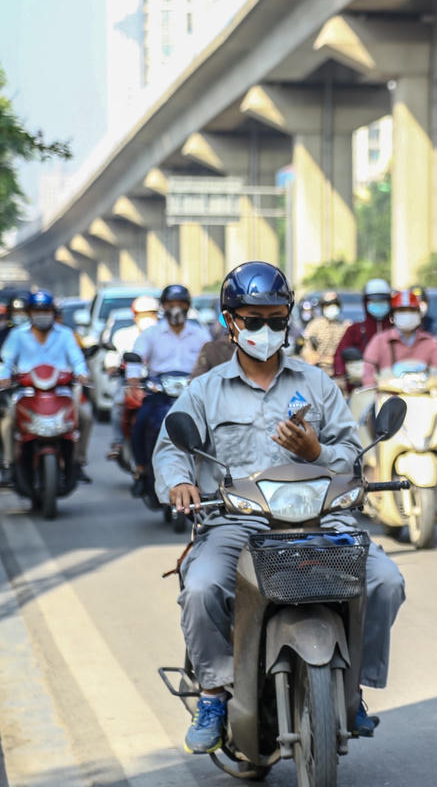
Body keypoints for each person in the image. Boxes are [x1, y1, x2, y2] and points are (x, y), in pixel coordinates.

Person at [152, 261, 406, 753]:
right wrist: (179, 481)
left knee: (386, 581)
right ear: (231, 322)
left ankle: (354, 687)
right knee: (201, 587)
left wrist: (317, 452)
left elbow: (351, 453)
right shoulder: (205, 390)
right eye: (253, 320)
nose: (265, 330)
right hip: (237, 522)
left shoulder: (317, 384)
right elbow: (171, 446)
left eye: (275, 319)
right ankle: (213, 693)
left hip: (321, 518)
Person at [0, 290, 92, 484]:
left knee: (85, 418)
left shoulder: (65, 334)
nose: (42, 314)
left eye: (46, 310)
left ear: (52, 312)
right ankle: (9, 464)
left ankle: (77, 463)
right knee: (7, 423)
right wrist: (4, 378)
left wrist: (82, 374)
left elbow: (77, 360)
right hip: (27, 394)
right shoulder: (18, 335)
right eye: (37, 310)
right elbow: (6, 362)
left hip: (60, 393)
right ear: (30, 312)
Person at [126, 285, 209, 494]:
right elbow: (136, 359)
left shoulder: (200, 334)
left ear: (188, 306)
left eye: (180, 304)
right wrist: (134, 384)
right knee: (140, 423)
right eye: (171, 304)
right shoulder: (151, 334)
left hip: (192, 391)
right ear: (163, 306)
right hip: (159, 393)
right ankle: (141, 469)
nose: (176, 309)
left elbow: (211, 362)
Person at [107, 295, 161, 460]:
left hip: (158, 385)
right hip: (130, 384)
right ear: (135, 316)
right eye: (143, 315)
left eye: (151, 314)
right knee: (118, 404)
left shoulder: (163, 335)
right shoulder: (122, 336)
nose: (147, 318)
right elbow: (113, 356)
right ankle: (118, 442)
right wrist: (112, 366)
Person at [361, 290, 437, 387]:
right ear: (392, 316)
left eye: (411, 310)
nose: (407, 315)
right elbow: (368, 373)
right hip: (388, 394)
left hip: (425, 394)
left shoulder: (429, 342)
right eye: (401, 311)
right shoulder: (379, 341)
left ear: (419, 315)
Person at [333, 278, 394, 384]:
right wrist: (340, 375)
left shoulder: (396, 330)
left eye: (382, 301)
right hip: (362, 386)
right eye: (373, 301)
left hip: (395, 385)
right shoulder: (355, 330)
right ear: (365, 303)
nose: (378, 304)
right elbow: (339, 356)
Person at [302, 291, 351, 376]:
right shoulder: (315, 325)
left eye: (334, 304)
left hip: (341, 372)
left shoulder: (346, 326)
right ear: (323, 307)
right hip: (319, 372)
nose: (331, 307)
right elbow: (307, 351)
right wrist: (317, 358)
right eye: (328, 305)